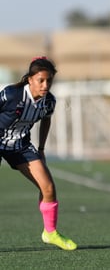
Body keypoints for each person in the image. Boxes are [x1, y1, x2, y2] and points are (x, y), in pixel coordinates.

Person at [0, 57, 77, 250]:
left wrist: (41, 149)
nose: (45, 85)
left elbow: (46, 120)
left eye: (49, 80)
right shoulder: (11, 94)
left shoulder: (49, 101)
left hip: (21, 146)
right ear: (30, 79)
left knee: (48, 188)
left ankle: (50, 233)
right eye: (41, 80)